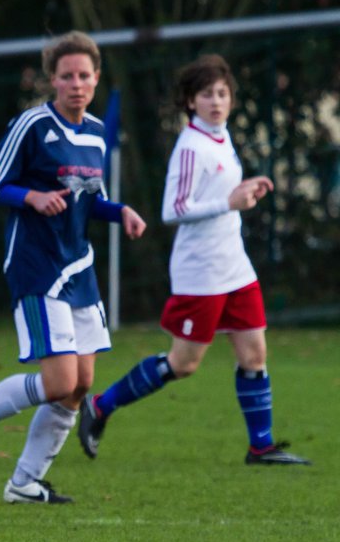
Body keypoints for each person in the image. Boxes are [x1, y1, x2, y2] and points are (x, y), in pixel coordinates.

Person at [0, 31, 148, 504]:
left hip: (79, 270)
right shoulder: (32, 125)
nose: (76, 83)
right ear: (53, 79)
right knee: (60, 382)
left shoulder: (94, 131)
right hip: (36, 267)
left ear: (95, 79)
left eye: (84, 75)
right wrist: (31, 196)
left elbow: (91, 200)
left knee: (82, 384)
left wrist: (122, 212)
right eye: (67, 75)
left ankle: (25, 483)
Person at [78, 55, 310, 466]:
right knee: (183, 364)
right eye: (207, 94)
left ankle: (261, 447)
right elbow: (173, 209)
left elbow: (222, 196)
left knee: (254, 355)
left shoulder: (221, 136)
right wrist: (229, 201)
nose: (216, 101)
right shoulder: (191, 146)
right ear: (190, 101)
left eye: (223, 93)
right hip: (201, 272)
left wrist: (244, 190)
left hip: (234, 266)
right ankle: (100, 405)